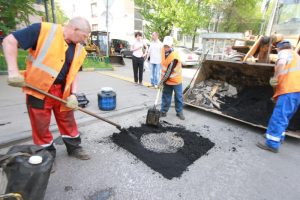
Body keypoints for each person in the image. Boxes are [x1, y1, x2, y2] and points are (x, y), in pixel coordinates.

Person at [2, 17, 91, 160]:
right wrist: (13, 71)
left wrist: (73, 94)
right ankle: (46, 155)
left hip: (63, 92)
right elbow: (9, 41)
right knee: (40, 125)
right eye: (84, 36)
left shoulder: (79, 48)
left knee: (68, 121)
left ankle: (74, 147)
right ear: (75, 29)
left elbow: (74, 73)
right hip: (38, 90)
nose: (84, 41)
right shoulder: (43, 30)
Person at [257, 40, 300, 153]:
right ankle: (276, 135)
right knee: (285, 116)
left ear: (279, 49)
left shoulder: (284, 52)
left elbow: (281, 63)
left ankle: (272, 144)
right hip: (297, 91)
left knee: (279, 116)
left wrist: (275, 78)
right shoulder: (296, 56)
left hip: (289, 90)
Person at [159, 36, 185, 120]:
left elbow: (169, 71)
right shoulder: (162, 50)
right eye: (165, 46)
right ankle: (163, 111)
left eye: (168, 46)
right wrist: (163, 80)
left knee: (178, 96)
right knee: (166, 95)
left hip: (176, 80)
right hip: (166, 80)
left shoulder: (174, 56)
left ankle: (179, 112)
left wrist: (161, 82)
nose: (166, 48)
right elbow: (163, 66)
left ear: (172, 46)